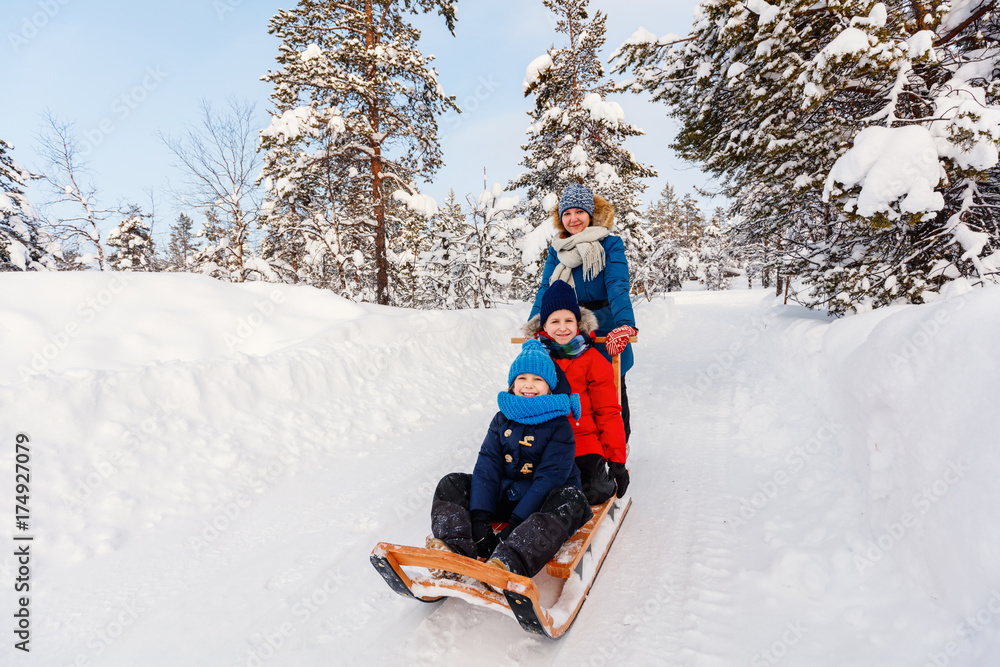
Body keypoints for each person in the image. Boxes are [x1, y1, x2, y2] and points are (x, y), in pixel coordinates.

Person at [427, 339, 593, 580]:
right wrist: (480, 518)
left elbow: (550, 479)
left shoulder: (560, 426)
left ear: (549, 387)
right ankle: (455, 549)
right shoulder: (501, 418)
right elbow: (488, 466)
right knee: (451, 483)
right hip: (508, 494)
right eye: (522, 379)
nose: (529, 385)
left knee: (572, 500)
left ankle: (509, 562)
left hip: (545, 501)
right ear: (513, 384)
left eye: (538, 379)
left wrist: (514, 526)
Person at [528, 182, 637, 440]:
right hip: (570, 328)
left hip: (606, 326)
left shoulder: (610, 244)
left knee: (609, 392)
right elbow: (547, 289)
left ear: (590, 214)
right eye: (566, 213)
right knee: (573, 388)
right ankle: (579, 448)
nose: (573, 219)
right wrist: (534, 325)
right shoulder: (558, 250)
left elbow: (616, 284)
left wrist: (625, 324)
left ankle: (618, 449)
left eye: (579, 212)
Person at [525, 279, 629, 505]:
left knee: (594, 491)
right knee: (535, 487)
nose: (562, 327)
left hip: (583, 440)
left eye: (568, 320)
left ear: (578, 323)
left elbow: (608, 412)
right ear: (544, 325)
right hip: (544, 439)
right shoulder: (535, 359)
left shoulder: (593, 360)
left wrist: (617, 462)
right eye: (555, 321)